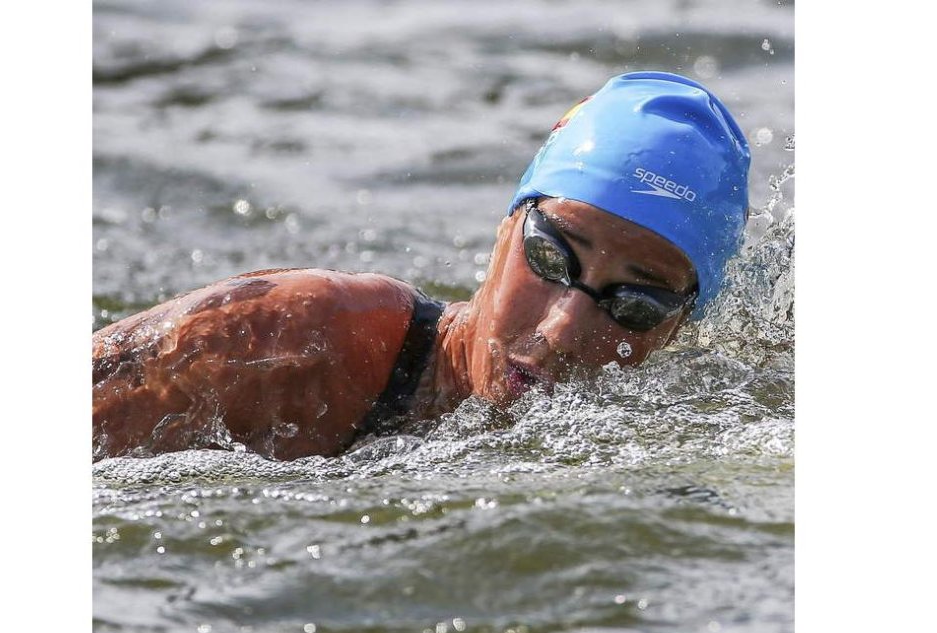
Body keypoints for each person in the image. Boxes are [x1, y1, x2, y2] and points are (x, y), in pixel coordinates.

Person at [93, 71, 750, 462]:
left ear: (678, 328)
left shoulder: (683, 430)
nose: (560, 331)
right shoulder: (296, 339)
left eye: (635, 304)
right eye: (551, 255)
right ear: (506, 226)